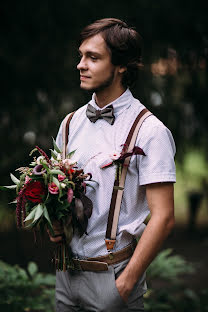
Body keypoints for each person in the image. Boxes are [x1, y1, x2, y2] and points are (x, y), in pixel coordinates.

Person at [49, 18, 176, 312]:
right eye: (81, 56)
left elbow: (164, 216)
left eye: (93, 57)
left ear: (121, 65)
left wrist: (126, 283)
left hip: (113, 279)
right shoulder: (70, 123)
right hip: (66, 276)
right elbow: (59, 194)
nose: (81, 64)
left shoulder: (149, 130)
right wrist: (54, 224)